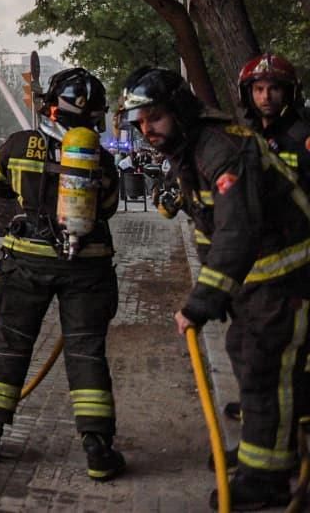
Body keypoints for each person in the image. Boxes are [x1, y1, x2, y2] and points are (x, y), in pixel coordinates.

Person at [121, 67, 310, 509]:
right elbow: (210, 227)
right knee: (247, 358)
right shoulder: (191, 149)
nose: (147, 130)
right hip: (255, 281)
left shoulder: (222, 149)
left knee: (267, 372)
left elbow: (236, 233)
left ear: (180, 111)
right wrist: (221, 290)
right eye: (140, 122)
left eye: (156, 118)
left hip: (286, 279)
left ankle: (268, 479)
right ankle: (256, 454)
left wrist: (202, 301)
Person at [0, 67, 125, 481]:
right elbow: (108, 206)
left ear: (51, 108)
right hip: (88, 268)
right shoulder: (103, 160)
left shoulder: (18, 145)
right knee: (86, 352)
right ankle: (96, 448)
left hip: (26, 263)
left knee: (8, 345)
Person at [238, 53, 310, 194]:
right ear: (248, 94)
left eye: (274, 89)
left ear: (289, 92)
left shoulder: (304, 133)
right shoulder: (247, 138)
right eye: (259, 89)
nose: (266, 97)